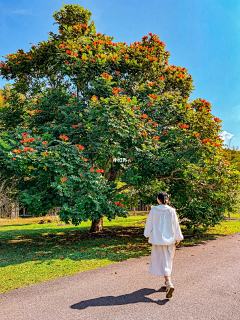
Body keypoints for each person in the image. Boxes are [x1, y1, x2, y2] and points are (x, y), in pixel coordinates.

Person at [144, 191, 184, 299]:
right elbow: (175, 225)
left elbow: (149, 223)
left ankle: (168, 283)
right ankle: (167, 282)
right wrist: (178, 238)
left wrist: (148, 235)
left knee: (160, 260)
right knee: (167, 261)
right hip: (169, 241)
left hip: (157, 240)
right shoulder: (171, 211)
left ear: (158, 199)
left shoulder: (154, 210)